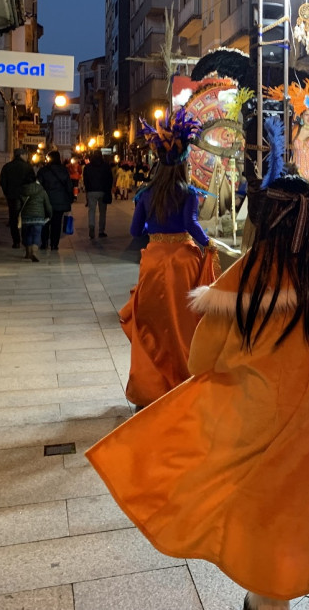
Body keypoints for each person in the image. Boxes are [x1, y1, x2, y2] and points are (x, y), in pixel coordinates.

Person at [86, 138, 309, 609]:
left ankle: (267, 594)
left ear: (263, 221)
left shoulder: (239, 281)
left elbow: (201, 362)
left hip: (256, 417)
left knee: (269, 499)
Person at [122, 110, 220, 410]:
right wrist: (208, 243)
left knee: (154, 323)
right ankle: (184, 380)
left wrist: (156, 228)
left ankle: (151, 385)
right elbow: (192, 223)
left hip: (153, 262)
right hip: (183, 262)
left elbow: (134, 230)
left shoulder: (146, 194)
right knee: (184, 325)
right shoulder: (188, 192)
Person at [37, 151, 73, 251]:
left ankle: (44, 243)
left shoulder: (43, 170)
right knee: (56, 224)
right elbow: (69, 186)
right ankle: (54, 244)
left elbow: (38, 185)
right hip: (60, 201)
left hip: (46, 200)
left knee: (45, 223)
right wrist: (70, 199)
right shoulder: (64, 170)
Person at [0, 148, 34, 248]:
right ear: (22, 155)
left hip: (12, 196)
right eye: (26, 155)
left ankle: (16, 241)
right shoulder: (27, 167)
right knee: (24, 218)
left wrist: (7, 193)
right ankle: (25, 239)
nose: (27, 157)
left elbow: (3, 182)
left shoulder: (7, 167)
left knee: (13, 219)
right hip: (24, 196)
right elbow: (32, 181)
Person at [17, 170, 52, 262]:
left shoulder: (22, 190)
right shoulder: (41, 190)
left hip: (26, 217)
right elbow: (47, 204)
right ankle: (34, 252)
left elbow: (18, 205)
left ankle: (28, 253)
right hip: (39, 217)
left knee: (27, 234)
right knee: (37, 234)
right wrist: (50, 214)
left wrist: (17, 213)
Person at [83, 151, 113, 239]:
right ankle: (101, 231)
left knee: (91, 210)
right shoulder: (106, 166)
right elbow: (110, 178)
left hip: (91, 191)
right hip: (103, 191)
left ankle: (91, 226)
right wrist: (108, 189)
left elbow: (85, 179)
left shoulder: (88, 167)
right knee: (102, 212)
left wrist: (87, 189)